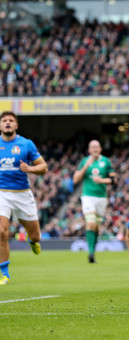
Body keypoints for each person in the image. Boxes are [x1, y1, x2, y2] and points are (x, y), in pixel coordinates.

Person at [0, 111, 48, 285]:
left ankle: (33, 241)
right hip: (1, 193)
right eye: (4, 120)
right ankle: (4, 273)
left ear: (16, 125)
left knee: (35, 235)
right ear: (0, 125)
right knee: (1, 231)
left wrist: (30, 169)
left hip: (22, 194)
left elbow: (43, 167)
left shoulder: (26, 144)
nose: (7, 123)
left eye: (11, 120)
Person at [73, 140, 115, 264]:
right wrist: (86, 166)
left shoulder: (106, 161)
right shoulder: (84, 161)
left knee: (96, 226)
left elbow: (113, 180)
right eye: (93, 147)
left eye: (97, 147)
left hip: (102, 198)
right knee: (90, 223)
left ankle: (93, 250)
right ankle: (90, 252)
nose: (95, 149)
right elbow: (75, 179)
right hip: (88, 196)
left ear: (100, 149)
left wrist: (102, 181)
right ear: (89, 149)